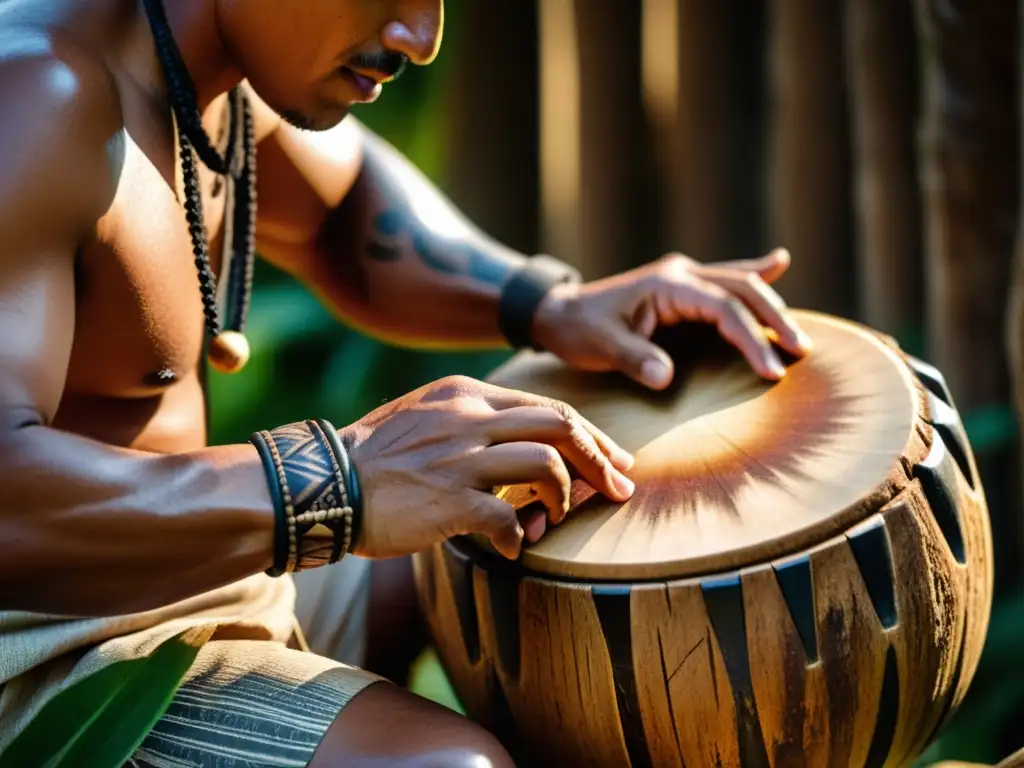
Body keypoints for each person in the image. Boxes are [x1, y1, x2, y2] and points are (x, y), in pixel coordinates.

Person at [0, 0, 813, 765]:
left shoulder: (204, 65)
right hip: (42, 652)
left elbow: (344, 209)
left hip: (193, 569)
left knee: (499, 531)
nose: (422, 35)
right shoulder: (40, 99)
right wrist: (339, 482)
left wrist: (549, 303)